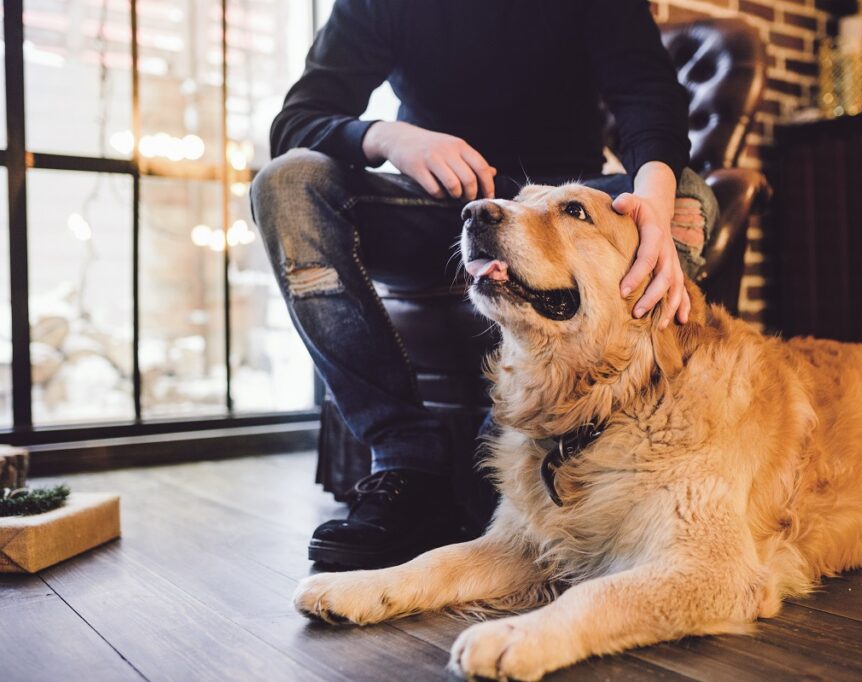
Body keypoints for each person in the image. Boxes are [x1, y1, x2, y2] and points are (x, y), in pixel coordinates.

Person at [251, 0, 719, 569]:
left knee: (688, 195)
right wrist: (393, 138)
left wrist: (652, 210)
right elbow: (298, 119)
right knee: (286, 182)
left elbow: (649, 95)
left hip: (559, 213)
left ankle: (530, 452)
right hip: (435, 206)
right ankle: (408, 461)